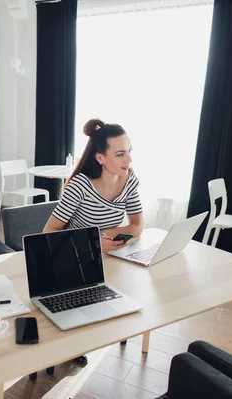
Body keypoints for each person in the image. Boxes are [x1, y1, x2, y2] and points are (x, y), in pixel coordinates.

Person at [43, 117, 144, 365]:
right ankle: (71, 343)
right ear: (100, 157)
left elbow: (137, 226)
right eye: (120, 154)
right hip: (73, 258)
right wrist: (93, 242)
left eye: (129, 152)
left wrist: (103, 239)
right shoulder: (80, 186)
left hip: (108, 256)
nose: (128, 160)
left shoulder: (128, 179)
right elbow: (47, 234)